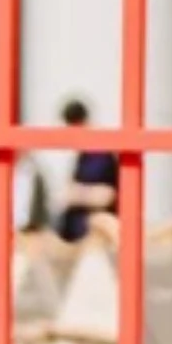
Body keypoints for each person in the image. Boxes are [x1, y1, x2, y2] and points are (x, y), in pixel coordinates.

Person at [55, 96, 118, 243]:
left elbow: (108, 194)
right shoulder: (82, 155)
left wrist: (74, 194)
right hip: (77, 237)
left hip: (94, 236)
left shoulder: (100, 154)